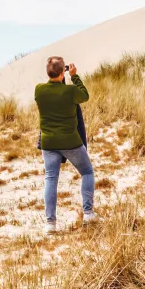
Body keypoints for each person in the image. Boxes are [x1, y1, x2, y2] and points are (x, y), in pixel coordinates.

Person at [34, 55, 96, 230]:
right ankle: (88, 213)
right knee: (87, 172)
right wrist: (74, 76)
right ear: (63, 72)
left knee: (51, 179)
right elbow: (84, 95)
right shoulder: (70, 92)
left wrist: (60, 77)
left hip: (48, 142)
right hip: (71, 141)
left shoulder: (39, 90)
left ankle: (50, 224)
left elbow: (53, 92)